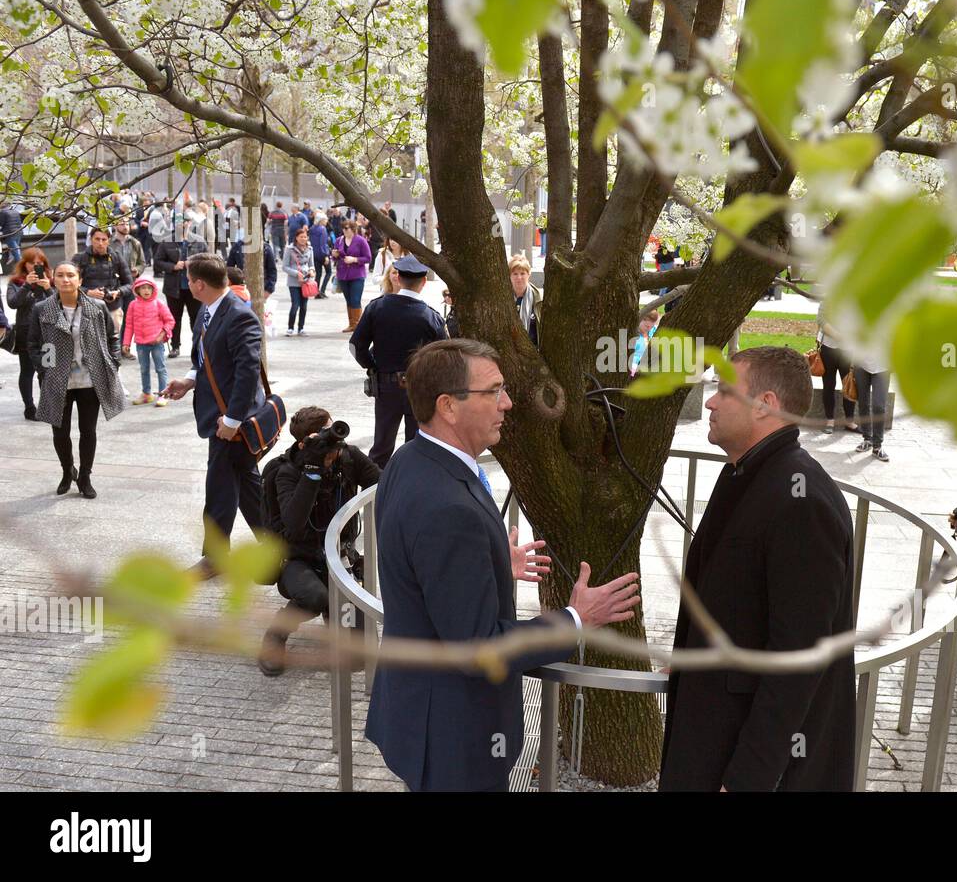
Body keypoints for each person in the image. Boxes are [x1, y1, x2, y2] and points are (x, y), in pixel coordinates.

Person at [364, 338, 640, 791]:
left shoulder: (411, 459)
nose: (507, 403)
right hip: (456, 739)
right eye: (493, 391)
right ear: (448, 406)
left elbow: (415, 563)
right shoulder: (448, 509)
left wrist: (487, 564)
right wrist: (576, 618)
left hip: (421, 713)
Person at [659, 345, 856, 791]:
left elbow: (798, 660)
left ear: (765, 406)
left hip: (742, 760)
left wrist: (748, 778)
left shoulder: (800, 502)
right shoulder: (746, 473)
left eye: (724, 391)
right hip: (712, 732)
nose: (709, 401)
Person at [159, 253, 266, 576]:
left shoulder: (238, 315)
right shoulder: (207, 310)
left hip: (230, 420)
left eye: (189, 280)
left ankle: (216, 558)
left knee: (220, 486)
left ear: (200, 284)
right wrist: (190, 381)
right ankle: (280, 544)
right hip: (218, 415)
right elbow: (207, 360)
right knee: (247, 483)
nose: (187, 285)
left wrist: (232, 420)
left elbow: (248, 371)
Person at [257, 406, 381, 676]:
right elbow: (293, 522)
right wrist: (312, 472)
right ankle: (276, 635)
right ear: (304, 443)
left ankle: (334, 614)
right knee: (315, 596)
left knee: (358, 659)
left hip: (341, 556)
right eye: (322, 435)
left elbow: (382, 483)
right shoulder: (287, 471)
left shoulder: (347, 459)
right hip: (298, 559)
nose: (332, 441)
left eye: (332, 429)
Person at [27, 261, 127, 499]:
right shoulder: (42, 309)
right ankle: (66, 470)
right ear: (53, 280)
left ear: (79, 280)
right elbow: (33, 343)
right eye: (60, 275)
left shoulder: (97, 306)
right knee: (59, 432)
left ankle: (85, 476)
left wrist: (113, 361)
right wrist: (45, 369)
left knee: (88, 431)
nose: (65, 280)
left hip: (90, 380)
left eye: (70, 275)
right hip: (56, 379)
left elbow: (113, 336)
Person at [349, 255, 447, 468]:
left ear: (399, 278)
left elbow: (356, 346)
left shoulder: (376, 308)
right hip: (419, 388)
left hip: (386, 386)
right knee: (417, 447)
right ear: (423, 282)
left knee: (381, 447)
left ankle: (375, 495)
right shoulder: (431, 317)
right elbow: (444, 359)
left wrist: (373, 366)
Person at [6, 247, 55, 419]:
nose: (36, 266)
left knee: (47, 370)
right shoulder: (16, 282)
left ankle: (46, 406)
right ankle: (29, 407)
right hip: (26, 332)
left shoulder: (51, 281)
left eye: (40, 263)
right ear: (24, 264)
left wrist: (49, 288)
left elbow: (59, 305)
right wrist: (27, 285)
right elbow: (12, 303)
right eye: (32, 263)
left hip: (48, 333)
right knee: (27, 371)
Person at [121, 277, 175, 407]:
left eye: (149, 288)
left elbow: (170, 321)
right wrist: (126, 343)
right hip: (141, 344)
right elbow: (129, 325)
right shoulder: (133, 305)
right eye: (143, 288)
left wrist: (162, 334)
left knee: (160, 368)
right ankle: (146, 394)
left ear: (153, 290)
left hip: (156, 343)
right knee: (144, 369)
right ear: (137, 290)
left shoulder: (159, 303)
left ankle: (163, 394)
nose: (146, 291)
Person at [153, 230, 202, 359]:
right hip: (173, 288)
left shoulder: (199, 240)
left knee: (197, 317)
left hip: (195, 288)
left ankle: (198, 346)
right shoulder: (166, 241)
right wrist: (173, 266)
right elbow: (157, 261)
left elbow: (207, 260)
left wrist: (193, 264)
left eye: (186, 221)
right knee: (174, 318)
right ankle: (175, 346)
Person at [815, 303, 858, 434]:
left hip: (848, 350)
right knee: (828, 384)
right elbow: (821, 319)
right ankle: (830, 420)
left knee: (849, 384)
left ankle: (849, 421)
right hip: (828, 348)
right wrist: (838, 336)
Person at [109, 218, 145, 350]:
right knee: (114, 317)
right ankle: (114, 347)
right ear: (115, 225)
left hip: (131, 285)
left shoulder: (135, 243)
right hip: (114, 285)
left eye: (127, 224)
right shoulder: (109, 243)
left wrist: (138, 270)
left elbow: (142, 262)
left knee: (129, 317)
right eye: (122, 224)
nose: (125, 226)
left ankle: (125, 347)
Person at [331, 219, 371, 332]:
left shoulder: (361, 241)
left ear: (353, 229)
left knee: (355, 299)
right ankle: (352, 324)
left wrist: (354, 259)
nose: (344, 230)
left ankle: (358, 325)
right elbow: (335, 258)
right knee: (348, 300)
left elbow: (368, 258)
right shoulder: (339, 240)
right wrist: (334, 255)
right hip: (343, 274)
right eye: (343, 228)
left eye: (347, 228)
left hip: (357, 274)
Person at [851, 351, 891, 461]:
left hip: (883, 366)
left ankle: (877, 445)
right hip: (861, 364)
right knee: (863, 403)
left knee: (879, 406)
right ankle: (867, 439)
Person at [282, 226, 315, 336]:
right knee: (295, 304)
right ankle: (290, 328)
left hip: (306, 281)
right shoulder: (289, 249)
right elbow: (284, 267)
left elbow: (311, 265)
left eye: (305, 237)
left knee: (304, 306)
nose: (303, 239)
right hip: (294, 281)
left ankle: (301, 328)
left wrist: (311, 271)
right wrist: (297, 274)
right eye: (301, 237)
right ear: (296, 238)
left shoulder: (310, 249)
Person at [226, 235, 277, 301]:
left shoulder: (265, 248)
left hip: (261, 289)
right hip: (242, 290)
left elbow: (272, 271)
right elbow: (229, 269)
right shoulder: (237, 247)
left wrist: (269, 290)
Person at [507, 252, 541, 345]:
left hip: (532, 351)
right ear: (509, 276)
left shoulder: (538, 299)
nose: (519, 277)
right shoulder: (504, 297)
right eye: (515, 274)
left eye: (522, 273)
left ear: (529, 274)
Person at [629, 309, 659, 376]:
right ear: (640, 320)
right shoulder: (632, 337)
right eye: (646, 326)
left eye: (651, 326)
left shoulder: (653, 331)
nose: (649, 328)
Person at [309, 213, 332, 299]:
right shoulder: (322, 229)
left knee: (318, 274)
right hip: (322, 254)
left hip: (314, 254)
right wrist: (326, 255)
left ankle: (316, 292)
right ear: (321, 220)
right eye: (325, 220)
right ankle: (322, 290)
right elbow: (323, 243)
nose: (326, 222)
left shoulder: (311, 229)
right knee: (328, 272)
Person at [0, 201, 23, 268]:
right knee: (16, 250)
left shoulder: (3, 212)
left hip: (10, 233)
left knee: (15, 252)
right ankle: (12, 261)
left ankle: (22, 267)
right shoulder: (15, 211)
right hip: (19, 232)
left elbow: (1, 223)